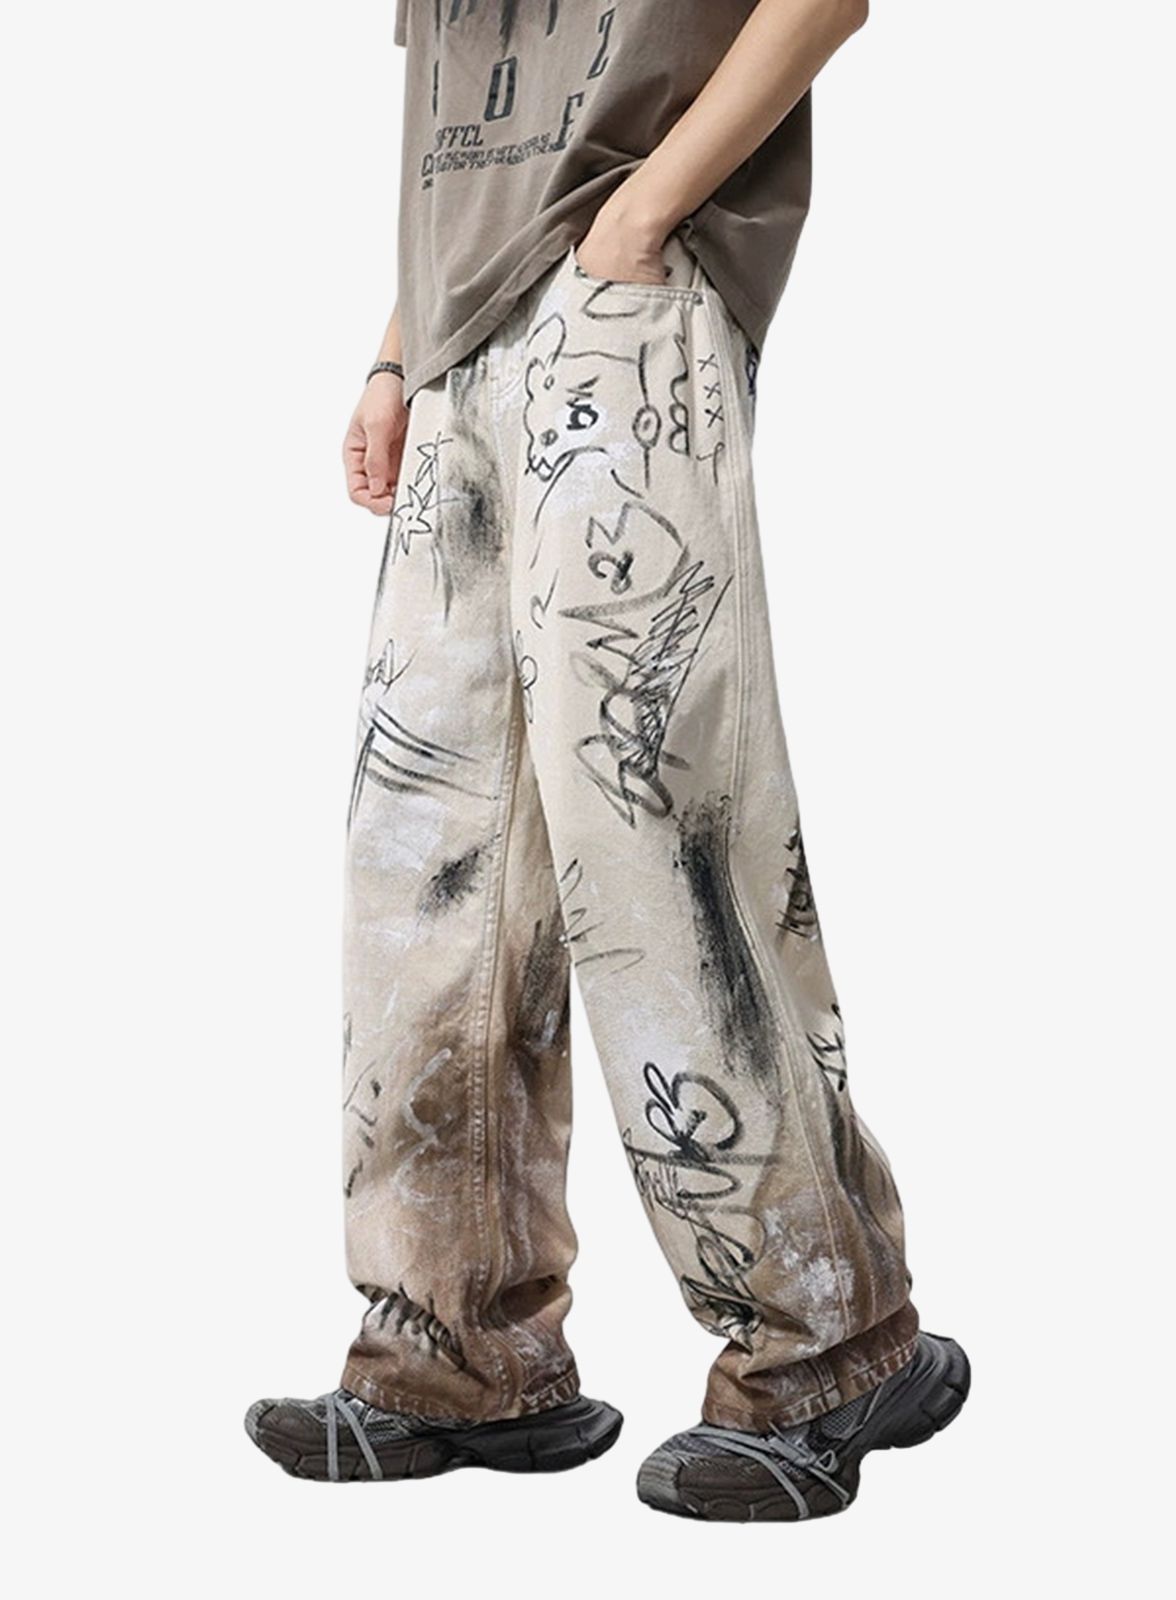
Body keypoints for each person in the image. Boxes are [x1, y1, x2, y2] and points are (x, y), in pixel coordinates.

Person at [244, 0, 969, 1521]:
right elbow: (459, 127)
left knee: (648, 828)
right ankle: (456, 1353)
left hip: (625, 300)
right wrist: (395, 349)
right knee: (426, 865)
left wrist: (644, 217)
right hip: (459, 348)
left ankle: (828, 1344)